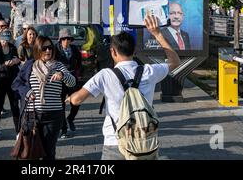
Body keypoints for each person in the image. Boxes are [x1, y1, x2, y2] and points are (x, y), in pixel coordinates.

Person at [69, 15, 181, 160]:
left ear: (113, 52)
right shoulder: (149, 71)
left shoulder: (105, 75)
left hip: (114, 143)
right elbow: (175, 62)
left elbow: (77, 100)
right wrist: (157, 33)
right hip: (143, 143)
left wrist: (71, 97)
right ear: (134, 50)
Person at [12, 36, 76, 160]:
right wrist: (27, 91)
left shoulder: (58, 65)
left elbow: (72, 82)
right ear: (37, 49)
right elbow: (16, 83)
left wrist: (62, 75)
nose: (48, 51)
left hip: (53, 116)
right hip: (32, 115)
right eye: (44, 48)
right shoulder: (30, 65)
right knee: (30, 152)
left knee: (48, 152)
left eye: (50, 48)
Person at [0, 30, 21, 140]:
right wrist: (5, 65)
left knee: (15, 106)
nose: (5, 42)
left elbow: (18, 60)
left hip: (12, 81)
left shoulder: (13, 47)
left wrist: (17, 61)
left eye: (7, 40)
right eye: (3, 40)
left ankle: (18, 130)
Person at [55, 29, 82, 139]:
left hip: (72, 78)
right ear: (60, 40)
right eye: (64, 39)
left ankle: (70, 118)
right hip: (60, 80)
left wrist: (77, 73)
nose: (67, 41)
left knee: (76, 101)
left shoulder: (75, 49)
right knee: (61, 105)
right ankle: (64, 129)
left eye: (69, 39)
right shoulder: (55, 49)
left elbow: (79, 62)